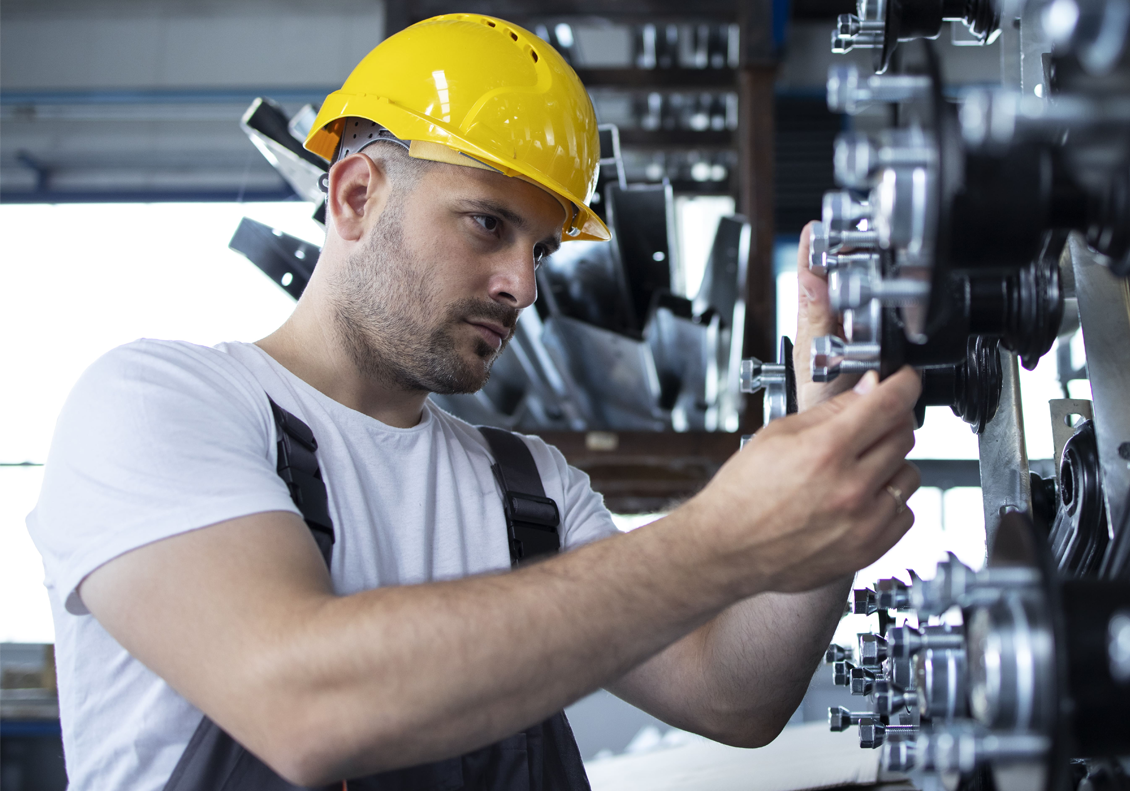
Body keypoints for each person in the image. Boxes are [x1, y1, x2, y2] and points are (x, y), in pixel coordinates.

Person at [27, 13, 922, 791]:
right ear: (355, 195)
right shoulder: (161, 403)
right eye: (489, 224)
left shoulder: (526, 491)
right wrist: (721, 536)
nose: (522, 287)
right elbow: (299, 704)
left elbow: (735, 695)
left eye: (542, 249)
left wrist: (824, 446)